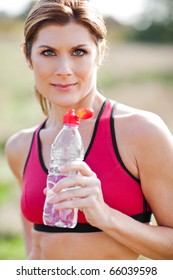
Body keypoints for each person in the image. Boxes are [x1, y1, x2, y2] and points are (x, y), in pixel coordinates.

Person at [5, 0, 173, 260]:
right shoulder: (19, 146)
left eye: (79, 52)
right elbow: (34, 247)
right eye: (48, 52)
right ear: (28, 56)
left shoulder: (142, 133)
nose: (63, 70)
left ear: (100, 53)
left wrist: (103, 215)